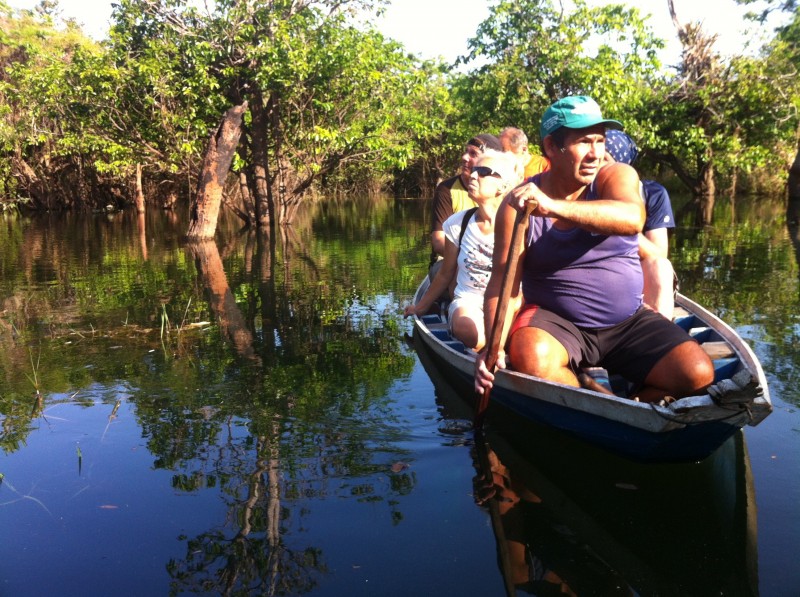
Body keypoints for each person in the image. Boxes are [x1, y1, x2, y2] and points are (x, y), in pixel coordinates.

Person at [474, 95, 714, 404]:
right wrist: (493, 349)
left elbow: (632, 217)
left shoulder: (616, 176)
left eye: (600, 141)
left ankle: (634, 404)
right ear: (551, 147)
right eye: (584, 142)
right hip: (557, 323)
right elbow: (503, 286)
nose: (596, 154)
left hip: (628, 321)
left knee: (697, 374)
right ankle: (584, 394)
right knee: (531, 356)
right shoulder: (517, 204)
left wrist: (553, 208)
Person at [407, 150, 518, 351]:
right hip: (469, 300)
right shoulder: (457, 224)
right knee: (468, 331)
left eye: (483, 171)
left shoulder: (522, 224)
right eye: (474, 170)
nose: (473, 175)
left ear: (503, 185)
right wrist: (420, 307)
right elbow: (445, 273)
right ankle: (490, 348)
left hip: (509, 303)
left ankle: (496, 347)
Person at [604, 129, 676, 319]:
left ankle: (659, 336)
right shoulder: (580, 190)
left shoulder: (652, 194)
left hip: (637, 274)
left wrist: (618, 223)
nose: (597, 166)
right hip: (600, 274)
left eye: (605, 160)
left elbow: (659, 253)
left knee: (660, 266)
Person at [430, 133, 503, 262]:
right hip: (450, 260)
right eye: (466, 151)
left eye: (473, 154)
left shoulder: (504, 193)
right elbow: (438, 240)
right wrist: (470, 259)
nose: (464, 157)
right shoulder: (446, 189)